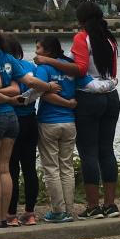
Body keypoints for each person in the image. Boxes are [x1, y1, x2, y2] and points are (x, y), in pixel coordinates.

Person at [0, 25, 58, 229]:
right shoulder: (8, 57)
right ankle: (5, 217)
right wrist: (48, 86)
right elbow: (29, 81)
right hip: (11, 118)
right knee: (5, 170)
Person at [35, 2, 120, 219]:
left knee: (88, 152)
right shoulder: (110, 38)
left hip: (89, 98)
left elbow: (80, 69)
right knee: (107, 150)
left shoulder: (82, 38)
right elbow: (113, 71)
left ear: (80, 19)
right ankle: (110, 205)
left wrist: (48, 60)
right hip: (111, 96)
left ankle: (93, 206)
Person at [33, 36, 78, 223]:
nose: (36, 51)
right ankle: (69, 209)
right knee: (66, 166)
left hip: (49, 122)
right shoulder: (70, 67)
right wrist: (70, 104)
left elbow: (41, 92)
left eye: (38, 48)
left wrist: (64, 102)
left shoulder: (43, 68)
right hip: (69, 123)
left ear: (48, 51)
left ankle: (58, 211)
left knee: (51, 168)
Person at [3, 34, 39, 227]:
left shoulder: (5, 68)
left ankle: (11, 215)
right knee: (29, 168)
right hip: (31, 120)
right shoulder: (31, 66)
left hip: (12, 120)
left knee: (11, 169)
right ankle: (30, 213)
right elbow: (39, 89)